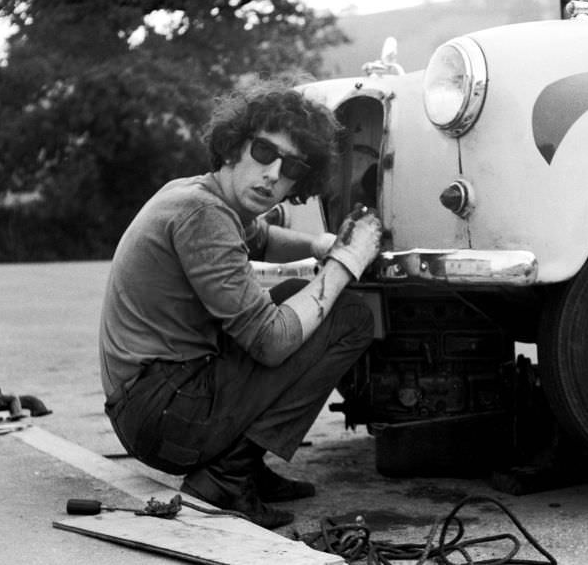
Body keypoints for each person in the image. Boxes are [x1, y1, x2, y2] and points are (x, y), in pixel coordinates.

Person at [99, 83, 383, 529]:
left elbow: (261, 238)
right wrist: (347, 260)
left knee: (293, 295)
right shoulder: (204, 215)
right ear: (234, 145)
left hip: (154, 402)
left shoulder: (198, 194)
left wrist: (319, 245)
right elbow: (271, 342)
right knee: (348, 318)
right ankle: (227, 478)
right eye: (265, 152)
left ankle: (241, 466)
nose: (273, 174)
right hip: (164, 415)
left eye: (291, 167)